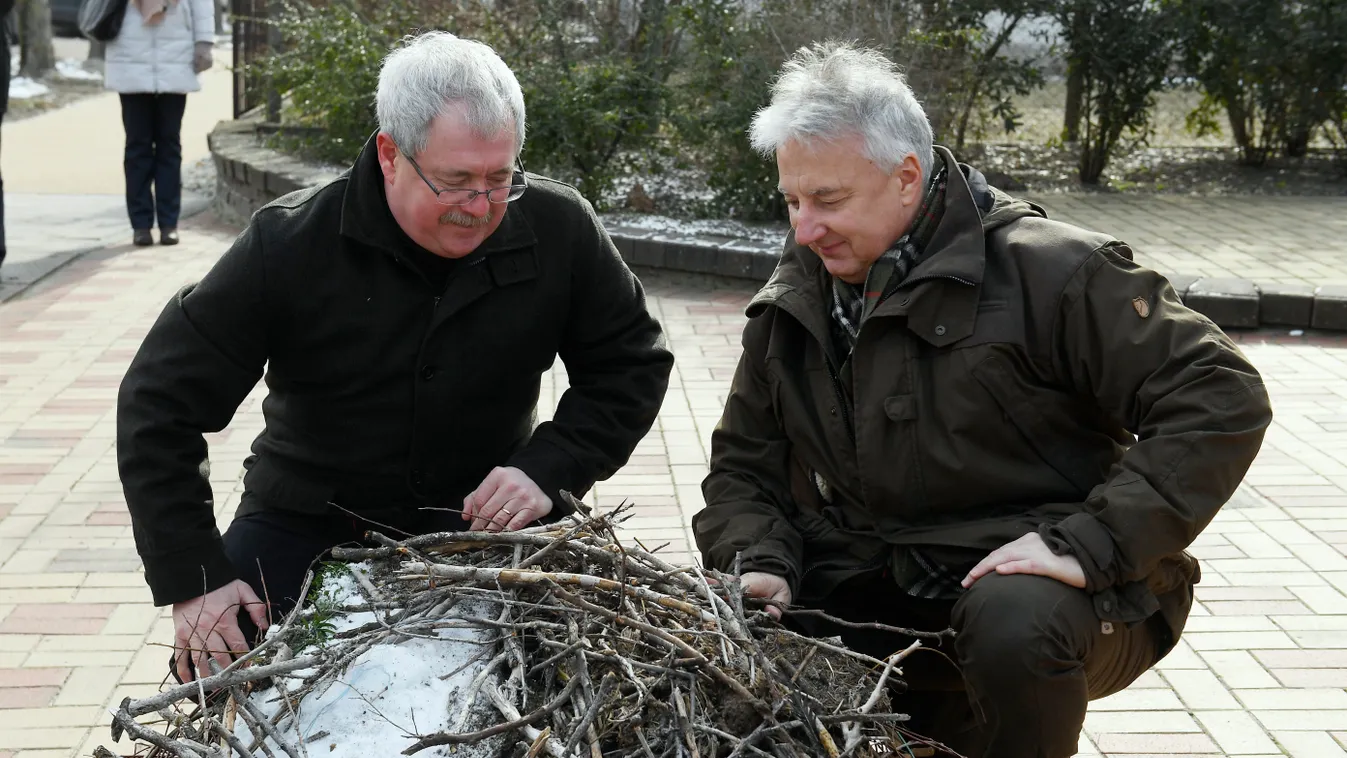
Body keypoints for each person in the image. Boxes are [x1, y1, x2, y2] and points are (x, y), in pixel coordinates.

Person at [693, 42, 1272, 758]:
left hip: (1058, 596)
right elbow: (742, 468)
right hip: (874, 585)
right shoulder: (799, 293)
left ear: (906, 177)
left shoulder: (1055, 270)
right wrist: (759, 562)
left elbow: (1220, 394)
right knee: (728, 628)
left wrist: (1090, 545)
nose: (803, 229)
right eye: (790, 200)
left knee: (1012, 620)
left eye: (827, 201)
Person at [117, 31, 674, 683]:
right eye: (457, 182)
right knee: (225, 676)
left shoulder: (558, 226)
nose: (481, 207)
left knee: (564, 690)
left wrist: (550, 467)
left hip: (482, 524)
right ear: (390, 154)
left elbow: (631, 363)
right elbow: (159, 404)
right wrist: (196, 577)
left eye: (501, 179)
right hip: (303, 521)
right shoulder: (289, 242)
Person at [104, 0, 215, 246]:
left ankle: (168, 223)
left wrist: (204, 43)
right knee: (137, 145)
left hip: (176, 57)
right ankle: (141, 225)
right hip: (128, 57)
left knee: (169, 144)